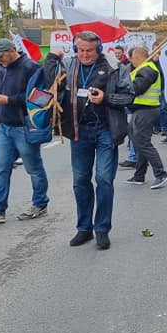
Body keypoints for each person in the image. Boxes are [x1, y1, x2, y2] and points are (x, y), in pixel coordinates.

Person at [45, 31, 134, 250]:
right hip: (78, 131)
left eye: (89, 51)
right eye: (81, 50)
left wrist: (106, 98)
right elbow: (49, 82)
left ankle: (102, 229)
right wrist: (51, 59)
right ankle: (84, 228)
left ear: (99, 49)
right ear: (75, 48)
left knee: (104, 180)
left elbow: (129, 96)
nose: (84, 55)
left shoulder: (115, 68)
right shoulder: (69, 65)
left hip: (105, 130)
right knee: (80, 181)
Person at [0, 39, 51, 227]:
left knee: (33, 168)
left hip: (24, 126)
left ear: (12, 50)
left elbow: (41, 98)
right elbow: (1, 99)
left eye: (1, 56)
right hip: (4, 127)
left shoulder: (31, 67)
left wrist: (10, 100)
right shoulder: (4, 68)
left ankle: (40, 203)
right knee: (0, 168)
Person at [124, 47, 167, 189]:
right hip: (141, 110)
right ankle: (139, 175)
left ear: (136, 58)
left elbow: (137, 88)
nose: (131, 61)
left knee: (142, 143)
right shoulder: (144, 68)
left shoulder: (147, 69)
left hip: (146, 110)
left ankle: (160, 173)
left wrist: (124, 86)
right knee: (138, 142)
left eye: (132, 58)